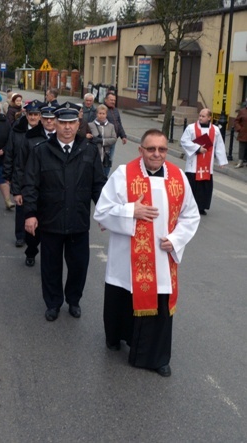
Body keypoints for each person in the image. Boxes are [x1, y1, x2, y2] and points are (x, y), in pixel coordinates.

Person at [94, 129, 200, 377]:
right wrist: (132, 210)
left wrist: (175, 240)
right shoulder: (123, 175)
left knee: (159, 308)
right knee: (122, 300)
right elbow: (101, 211)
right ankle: (116, 337)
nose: (156, 154)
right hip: (127, 260)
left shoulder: (178, 178)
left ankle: (157, 358)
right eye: (151, 149)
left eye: (162, 149)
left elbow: (191, 215)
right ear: (140, 150)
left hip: (162, 259)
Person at [23, 102, 107, 321]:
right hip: (50, 220)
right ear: (55, 124)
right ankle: (53, 303)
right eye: (62, 123)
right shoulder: (41, 150)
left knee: (79, 266)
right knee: (50, 266)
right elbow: (30, 185)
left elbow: (98, 184)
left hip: (78, 221)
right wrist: (30, 214)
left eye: (71, 123)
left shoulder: (88, 151)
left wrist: (105, 212)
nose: (67, 128)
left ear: (78, 124)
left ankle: (73, 300)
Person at [3, 100, 44, 264]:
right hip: (22, 178)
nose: (33, 117)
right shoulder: (18, 130)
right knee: (22, 211)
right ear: (26, 115)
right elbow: (10, 154)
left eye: (36, 114)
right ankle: (21, 236)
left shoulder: (45, 133)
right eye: (31, 114)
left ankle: (34, 245)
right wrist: (11, 181)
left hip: (40, 182)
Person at [180, 108, 228, 215]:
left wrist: (222, 161)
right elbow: (184, 141)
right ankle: (189, 207)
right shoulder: (191, 128)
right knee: (192, 186)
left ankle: (201, 207)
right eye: (200, 116)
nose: (200, 118)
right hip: (193, 164)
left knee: (204, 187)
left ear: (209, 118)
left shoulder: (215, 130)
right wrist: (197, 148)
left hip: (207, 164)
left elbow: (219, 145)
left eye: (203, 116)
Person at [103, 92, 127, 177]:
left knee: (109, 160)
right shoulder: (102, 110)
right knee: (103, 159)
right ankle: (102, 177)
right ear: (106, 100)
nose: (113, 102)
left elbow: (119, 124)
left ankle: (105, 177)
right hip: (105, 140)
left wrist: (123, 136)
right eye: (111, 100)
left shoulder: (116, 110)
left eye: (114, 100)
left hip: (113, 140)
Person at [87, 104, 117, 175]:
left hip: (106, 155)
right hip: (94, 154)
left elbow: (114, 139)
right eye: (100, 113)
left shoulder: (111, 126)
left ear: (106, 114)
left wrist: (102, 141)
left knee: (104, 176)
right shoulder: (90, 125)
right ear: (97, 114)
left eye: (103, 113)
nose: (101, 115)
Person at [235, 102, 247, 168]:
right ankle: (240, 162)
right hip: (243, 133)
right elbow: (236, 121)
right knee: (242, 148)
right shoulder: (242, 111)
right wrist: (239, 128)